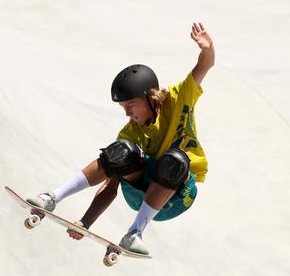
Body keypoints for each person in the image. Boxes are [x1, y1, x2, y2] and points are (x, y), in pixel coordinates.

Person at [26, 22, 215, 255]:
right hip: (139, 193)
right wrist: (85, 222)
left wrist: (207, 48)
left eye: (131, 106)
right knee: (121, 151)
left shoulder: (179, 97)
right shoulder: (130, 132)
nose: (127, 113)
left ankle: (135, 233)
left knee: (174, 159)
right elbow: (110, 186)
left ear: (149, 96)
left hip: (178, 197)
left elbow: (204, 66)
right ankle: (53, 197)